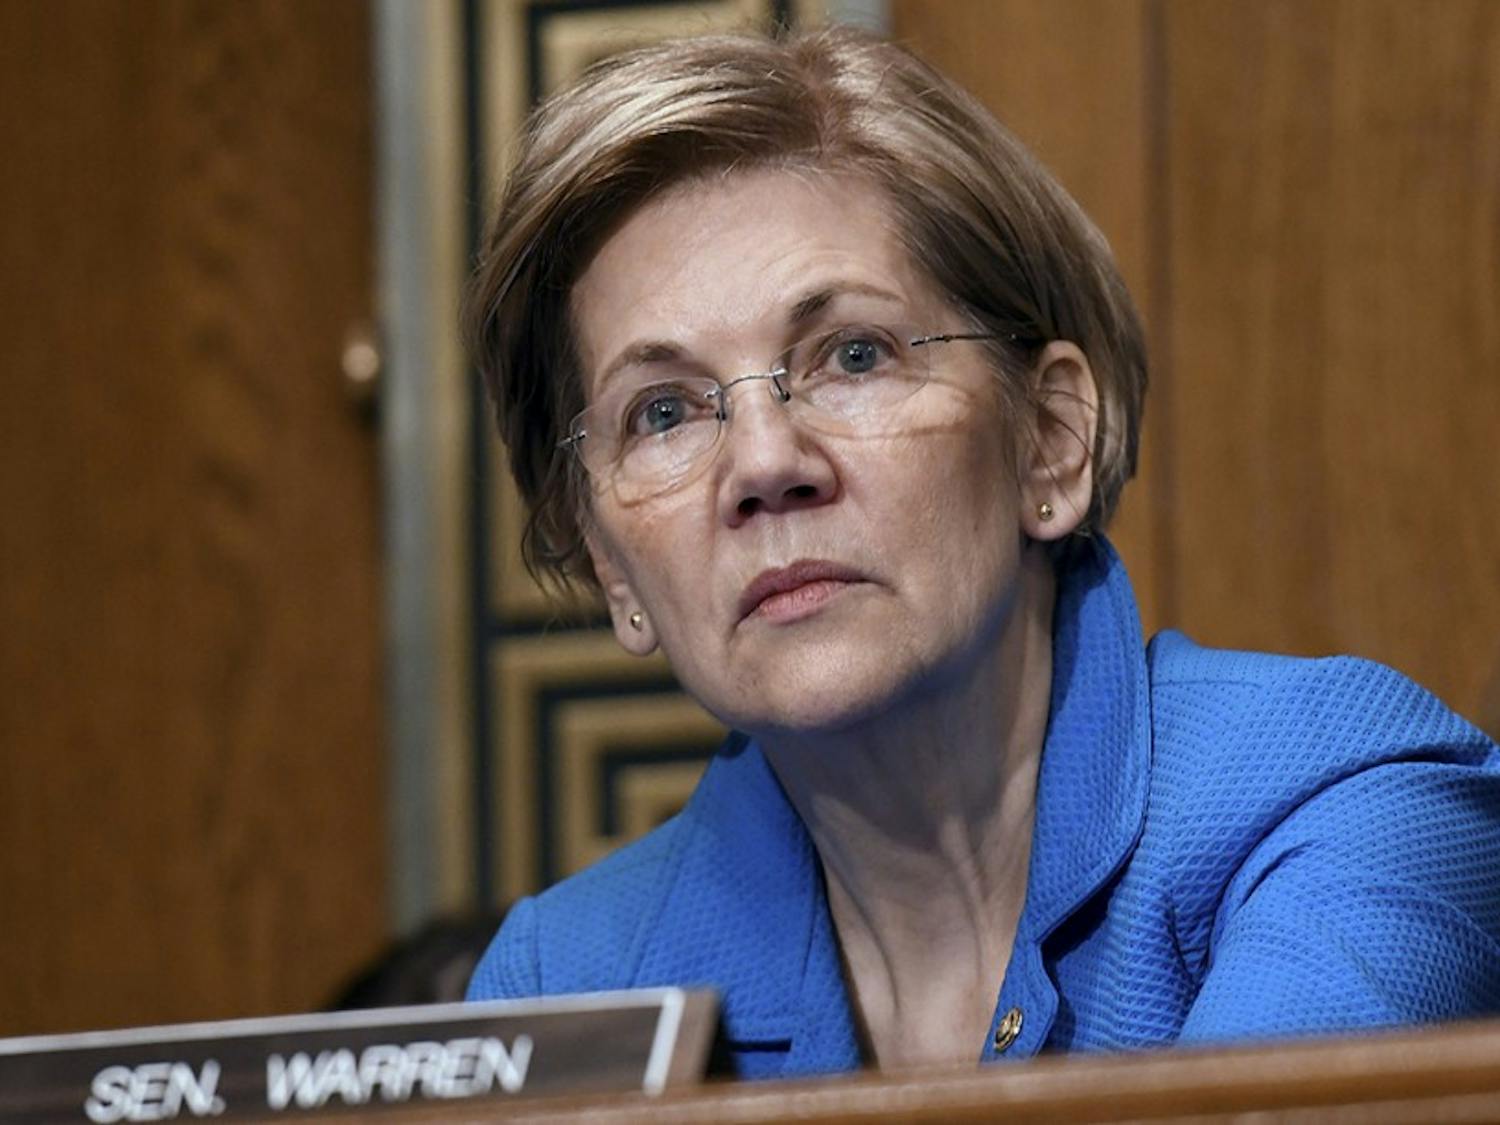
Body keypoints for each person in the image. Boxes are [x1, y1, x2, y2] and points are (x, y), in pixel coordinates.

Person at [462, 26, 1500, 1078]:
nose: (766, 464)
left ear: (1049, 440)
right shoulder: (567, 984)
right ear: (611, 568)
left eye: (853, 356)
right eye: (665, 413)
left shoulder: (1344, 801)